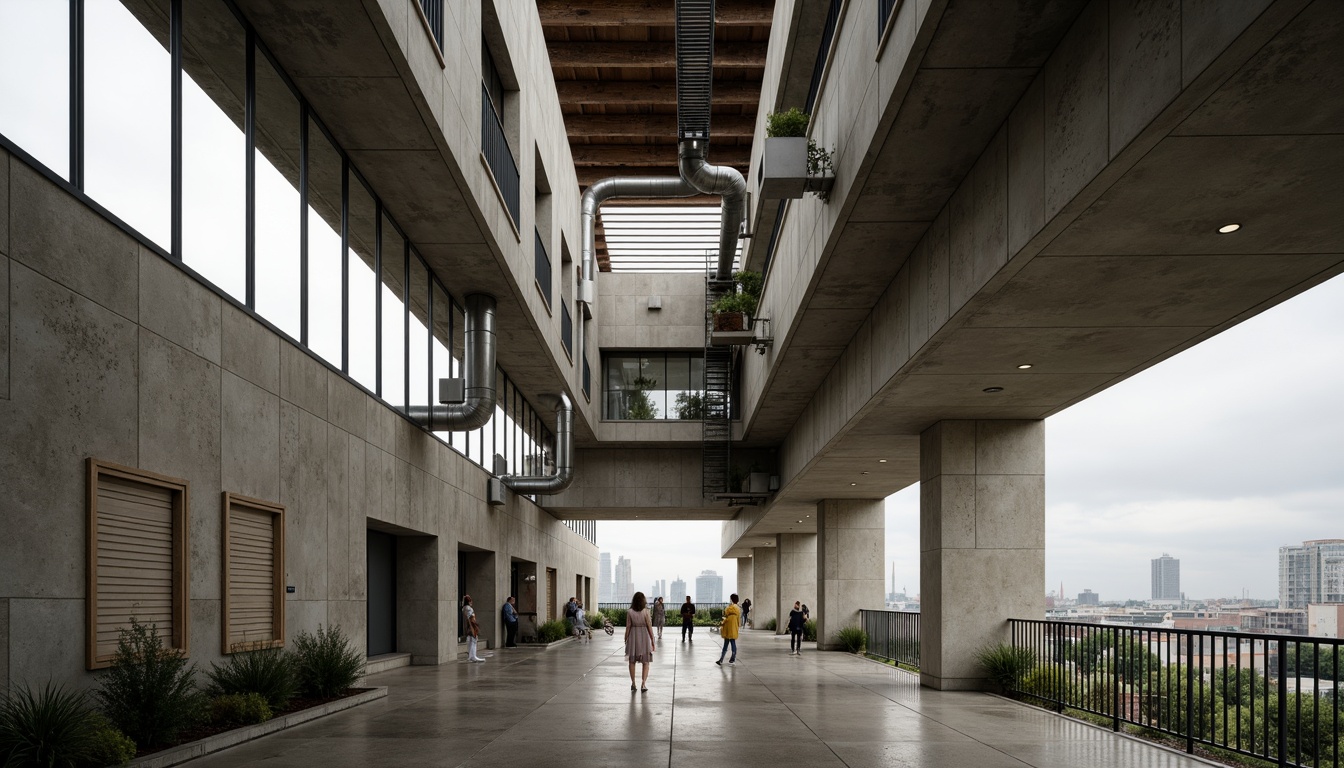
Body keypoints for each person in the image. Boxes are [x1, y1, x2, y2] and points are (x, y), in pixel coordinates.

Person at [626, 591, 655, 692]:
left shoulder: (630, 612)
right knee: (646, 662)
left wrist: (626, 638)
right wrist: (652, 639)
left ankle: (633, 683)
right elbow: (649, 626)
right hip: (644, 636)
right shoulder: (646, 611)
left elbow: (628, 626)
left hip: (633, 636)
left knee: (631, 661)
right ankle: (643, 684)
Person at [716, 594, 742, 666]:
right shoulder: (737, 608)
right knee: (732, 641)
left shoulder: (729, 608)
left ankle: (721, 659)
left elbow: (727, 618)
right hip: (733, 627)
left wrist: (722, 622)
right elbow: (738, 620)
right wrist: (738, 626)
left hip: (727, 627)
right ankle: (732, 658)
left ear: (731, 599)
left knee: (726, 643)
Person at [462, 595, 484, 662]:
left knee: (471, 641)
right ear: (468, 601)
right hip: (471, 625)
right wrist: (472, 627)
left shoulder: (464, 608)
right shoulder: (469, 608)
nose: (472, 602)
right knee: (473, 640)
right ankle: (473, 656)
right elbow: (469, 618)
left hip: (469, 625)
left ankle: (471, 656)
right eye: (470, 600)